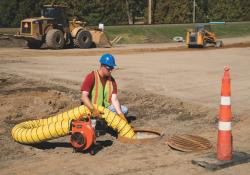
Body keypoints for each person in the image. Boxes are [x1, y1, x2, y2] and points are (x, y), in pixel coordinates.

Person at [80, 53, 128, 121]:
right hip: (91, 108)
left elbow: (114, 99)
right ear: (102, 66)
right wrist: (93, 110)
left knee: (124, 110)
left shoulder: (112, 80)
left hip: (105, 109)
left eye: (112, 68)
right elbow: (84, 97)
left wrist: (120, 114)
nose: (111, 71)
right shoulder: (91, 77)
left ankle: (106, 121)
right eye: (109, 68)